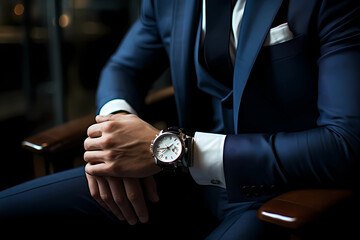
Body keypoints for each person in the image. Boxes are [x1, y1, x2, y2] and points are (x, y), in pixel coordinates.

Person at [1, 0, 360, 238]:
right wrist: (118, 130)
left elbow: (346, 143)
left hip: (278, 193)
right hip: (171, 181)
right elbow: (124, 66)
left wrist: (180, 151)